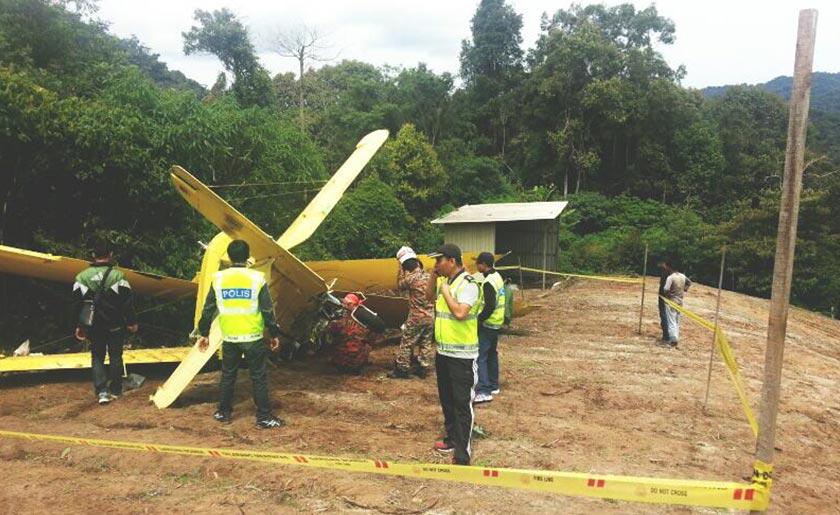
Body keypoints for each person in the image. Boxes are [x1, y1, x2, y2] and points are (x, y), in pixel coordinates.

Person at [197, 239, 285, 429]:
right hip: (253, 337)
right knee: (258, 377)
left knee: (228, 375)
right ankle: (263, 417)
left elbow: (208, 308)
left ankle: (224, 412)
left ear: (229, 257)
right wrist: (274, 333)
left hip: (229, 337)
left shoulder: (218, 279)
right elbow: (267, 310)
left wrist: (204, 332)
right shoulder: (257, 279)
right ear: (247, 257)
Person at [426, 243, 480, 466]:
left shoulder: (469, 284)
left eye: (439, 260)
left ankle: (462, 453)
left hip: (463, 357)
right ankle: (451, 438)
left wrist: (446, 292)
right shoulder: (444, 282)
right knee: (447, 401)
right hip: (444, 353)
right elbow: (429, 297)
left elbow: (459, 312)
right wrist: (433, 277)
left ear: (452, 261)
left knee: (461, 403)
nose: (436, 264)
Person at [73, 239, 138, 405]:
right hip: (116, 323)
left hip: (93, 325)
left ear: (93, 255)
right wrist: (132, 322)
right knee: (116, 356)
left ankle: (101, 391)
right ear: (111, 255)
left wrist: (79, 326)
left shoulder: (81, 277)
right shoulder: (118, 276)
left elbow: (76, 304)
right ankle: (116, 389)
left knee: (97, 356)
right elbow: (127, 303)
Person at [389, 247, 434, 379]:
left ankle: (402, 369)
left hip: (416, 317)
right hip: (431, 316)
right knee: (426, 342)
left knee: (407, 343)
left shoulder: (411, 279)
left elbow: (399, 285)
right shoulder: (429, 276)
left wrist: (400, 270)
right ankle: (423, 368)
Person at [474, 252, 504, 404]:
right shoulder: (497, 277)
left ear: (484, 264)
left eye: (477, 263)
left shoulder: (488, 283)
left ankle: (484, 390)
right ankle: (493, 385)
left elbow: (490, 305)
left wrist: (479, 319)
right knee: (492, 354)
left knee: (481, 356)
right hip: (496, 323)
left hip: (487, 324)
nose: (476, 266)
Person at [327, 293, 374, 375]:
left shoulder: (340, 323)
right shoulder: (362, 324)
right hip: (357, 364)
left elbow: (329, 335)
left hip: (343, 364)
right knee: (366, 345)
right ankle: (358, 362)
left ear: (350, 305)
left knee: (334, 344)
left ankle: (342, 363)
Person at [661, 259, 692, 348]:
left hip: (671, 301)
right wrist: (685, 289)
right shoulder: (682, 276)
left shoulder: (670, 278)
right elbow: (689, 283)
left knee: (671, 321)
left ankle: (673, 340)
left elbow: (666, 289)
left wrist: (667, 296)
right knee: (677, 320)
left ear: (669, 267)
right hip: (680, 301)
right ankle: (676, 338)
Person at [658, 260, 671, 342]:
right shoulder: (674, 274)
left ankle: (666, 336)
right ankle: (670, 335)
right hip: (672, 299)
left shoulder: (667, 274)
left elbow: (665, 288)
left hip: (664, 298)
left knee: (664, 315)